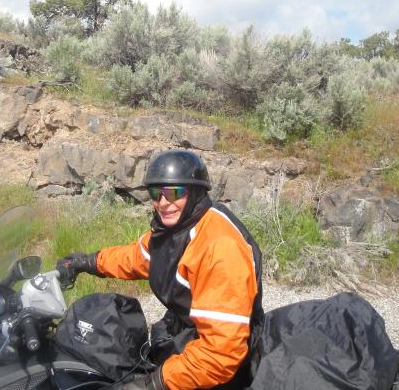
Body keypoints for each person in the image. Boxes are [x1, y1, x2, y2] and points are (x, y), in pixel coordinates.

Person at [57, 149, 263, 390]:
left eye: (174, 193)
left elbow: (221, 353)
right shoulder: (175, 229)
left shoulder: (220, 247)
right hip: (188, 332)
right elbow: (136, 257)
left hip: (220, 366)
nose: (164, 203)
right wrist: (87, 262)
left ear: (195, 192)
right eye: (156, 193)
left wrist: (154, 383)